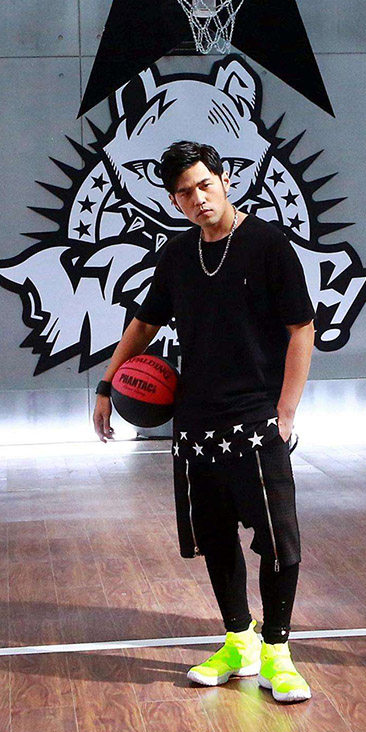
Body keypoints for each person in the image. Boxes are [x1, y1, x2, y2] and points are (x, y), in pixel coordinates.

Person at [93, 141, 316, 703]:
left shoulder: (267, 244)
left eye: (204, 185)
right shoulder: (176, 253)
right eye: (185, 193)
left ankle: (278, 653)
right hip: (195, 421)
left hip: (256, 417)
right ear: (174, 200)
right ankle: (239, 643)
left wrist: (286, 410)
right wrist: (106, 385)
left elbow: (301, 328)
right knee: (215, 539)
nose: (198, 199)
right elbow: (144, 324)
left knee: (279, 541)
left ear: (224, 180)